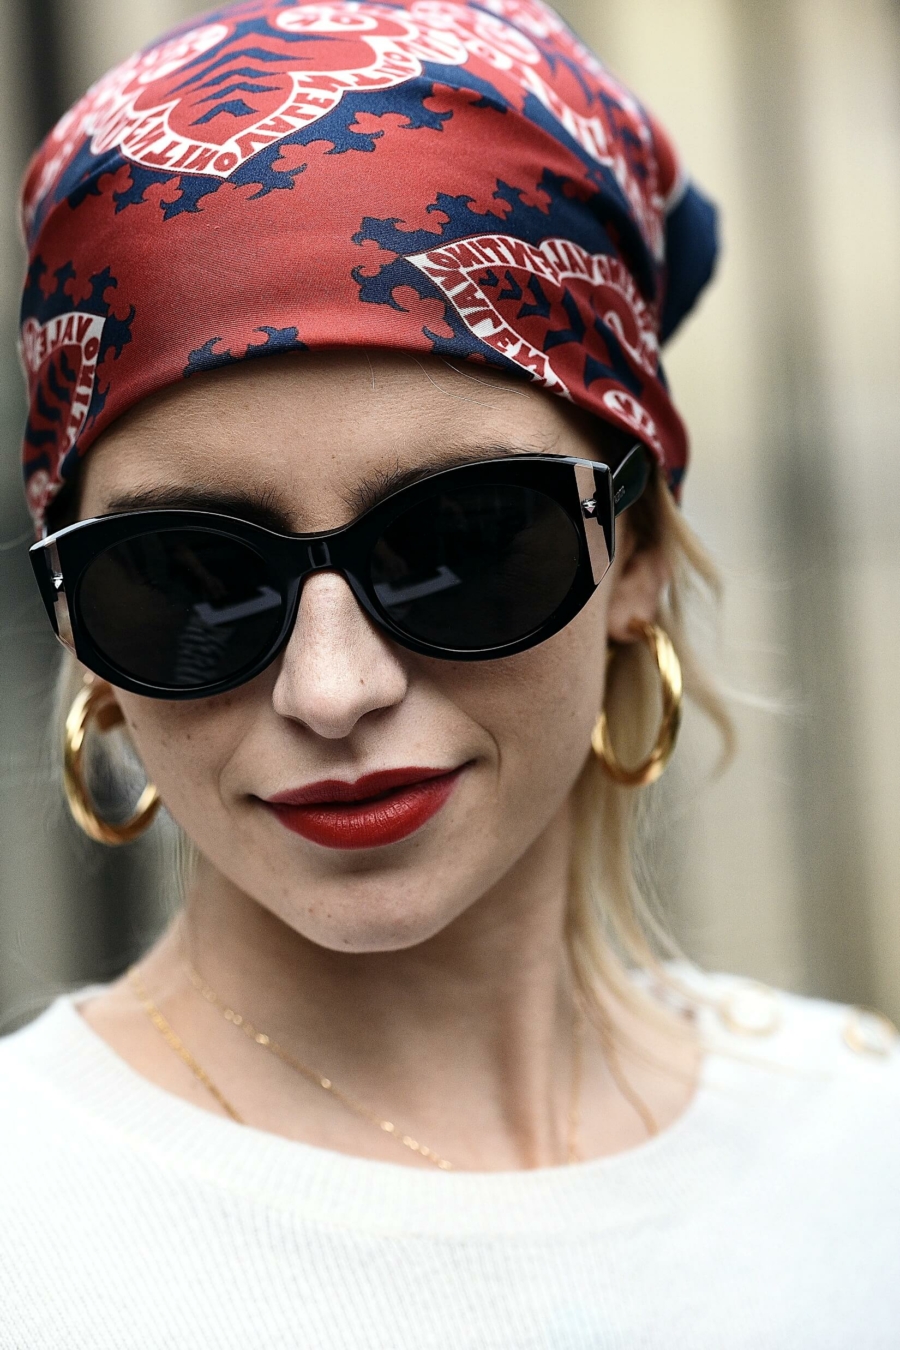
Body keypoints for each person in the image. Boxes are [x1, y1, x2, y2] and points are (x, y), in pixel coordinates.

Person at [2, 1, 898, 1345]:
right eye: (188, 572)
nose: (332, 690)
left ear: (639, 552)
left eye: (462, 541)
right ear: (80, 626)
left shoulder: (859, 1158)